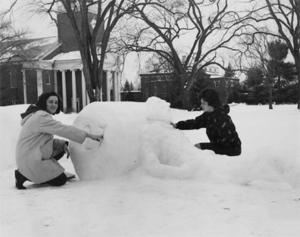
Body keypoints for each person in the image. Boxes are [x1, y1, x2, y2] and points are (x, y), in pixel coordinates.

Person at [15, 91, 103, 189]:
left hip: (27, 156)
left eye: (56, 102)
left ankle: (32, 172)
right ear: (44, 102)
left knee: (61, 148)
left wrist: (62, 144)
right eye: (50, 102)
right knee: (61, 180)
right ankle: (23, 175)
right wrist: (88, 134)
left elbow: (42, 141)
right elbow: (63, 129)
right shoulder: (41, 117)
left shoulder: (36, 115)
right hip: (30, 160)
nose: (54, 105)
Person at [173, 88, 241, 156]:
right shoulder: (208, 115)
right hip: (220, 147)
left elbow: (226, 145)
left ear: (212, 104)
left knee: (198, 148)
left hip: (232, 150)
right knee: (198, 148)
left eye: (204, 103)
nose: (201, 105)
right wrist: (178, 125)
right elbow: (196, 123)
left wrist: (203, 146)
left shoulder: (222, 119)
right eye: (201, 103)